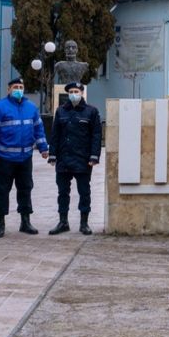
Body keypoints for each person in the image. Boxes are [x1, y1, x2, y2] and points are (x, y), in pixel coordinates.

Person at [0, 76, 49, 237]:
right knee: (1, 191)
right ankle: (0, 224)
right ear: (8, 89)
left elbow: (38, 130)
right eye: (15, 87)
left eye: (21, 87)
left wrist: (43, 148)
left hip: (25, 158)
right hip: (4, 159)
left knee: (26, 189)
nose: (18, 90)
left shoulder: (31, 107)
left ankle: (25, 222)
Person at [47, 82, 102, 235]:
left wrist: (94, 156)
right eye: (71, 91)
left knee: (84, 192)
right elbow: (55, 134)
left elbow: (96, 136)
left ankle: (84, 223)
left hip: (83, 160)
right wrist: (52, 154)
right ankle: (63, 222)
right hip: (64, 159)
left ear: (81, 92)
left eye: (76, 91)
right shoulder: (61, 111)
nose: (73, 94)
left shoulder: (91, 112)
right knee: (62, 192)